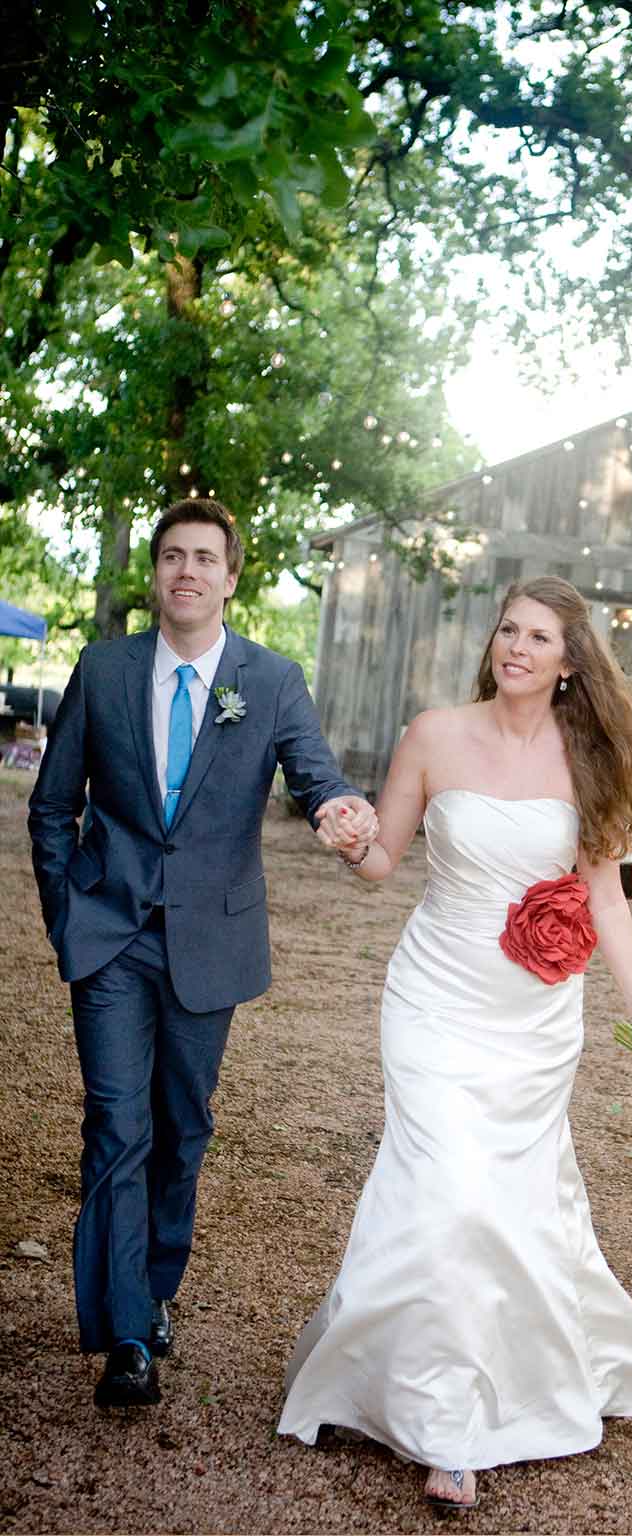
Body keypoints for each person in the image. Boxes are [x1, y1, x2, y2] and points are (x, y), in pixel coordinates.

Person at [278, 576, 632, 1512]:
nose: (517, 647)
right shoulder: (434, 734)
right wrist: (349, 839)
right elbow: (384, 863)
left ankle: (515, 1378)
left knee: (505, 1204)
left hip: (536, 1020)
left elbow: (607, 902)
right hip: (432, 1000)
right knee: (447, 1187)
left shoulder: (589, 761)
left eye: (540, 637)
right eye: (508, 629)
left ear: (570, 662)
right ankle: (448, 1428)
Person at [27, 499, 376, 1409]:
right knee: (115, 1122)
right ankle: (127, 1335)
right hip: (110, 934)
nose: (187, 571)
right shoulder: (104, 670)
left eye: (204, 558)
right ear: (156, 574)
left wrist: (339, 808)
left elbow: (314, 771)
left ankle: (158, 1283)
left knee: (182, 1126)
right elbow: (52, 803)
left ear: (231, 577)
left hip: (210, 940)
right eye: (172, 556)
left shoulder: (269, 679)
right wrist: (68, 915)